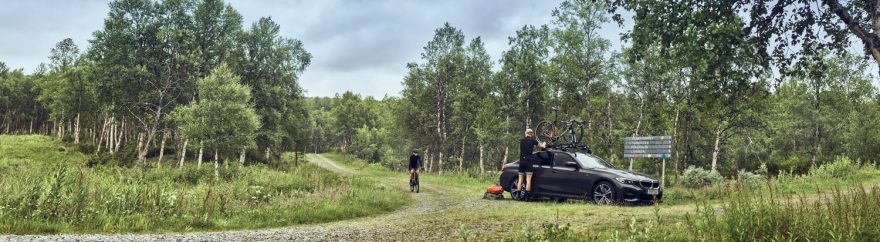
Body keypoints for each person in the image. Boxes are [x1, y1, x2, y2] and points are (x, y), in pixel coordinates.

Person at [517, 128, 546, 196]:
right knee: (528, 180)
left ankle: (518, 196)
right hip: (529, 161)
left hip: (522, 161)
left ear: (525, 133)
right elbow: (542, 146)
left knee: (520, 179)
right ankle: (527, 197)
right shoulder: (533, 141)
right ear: (532, 134)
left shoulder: (521, 141)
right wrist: (544, 142)